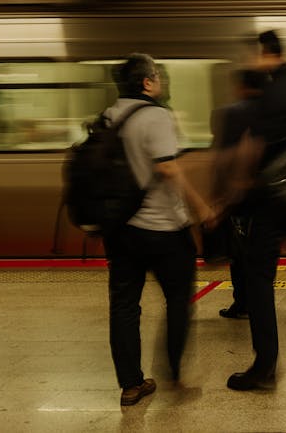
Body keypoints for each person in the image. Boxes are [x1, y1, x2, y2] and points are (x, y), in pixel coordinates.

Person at [103, 53, 215, 406]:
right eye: (157, 76)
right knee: (179, 300)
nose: (161, 81)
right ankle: (175, 374)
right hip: (163, 229)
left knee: (124, 305)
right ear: (147, 82)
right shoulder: (156, 115)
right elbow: (167, 169)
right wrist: (200, 206)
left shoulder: (108, 116)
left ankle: (131, 384)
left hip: (121, 229)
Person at [226, 31, 286, 390]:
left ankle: (264, 365)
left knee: (257, 274)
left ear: (266, 54)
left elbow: (256, 145)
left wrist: (239, 189)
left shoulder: (268, 92)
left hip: (277, 194)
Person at [207, 69, 266, 320]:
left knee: (239, 252)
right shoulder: (274, 111)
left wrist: (217, 195)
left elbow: (223, 156)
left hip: (240, 195)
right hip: (267, 193)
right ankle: (262, 301)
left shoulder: (231, 112)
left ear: (242, 86)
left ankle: (243, 303)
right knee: (261, 251)